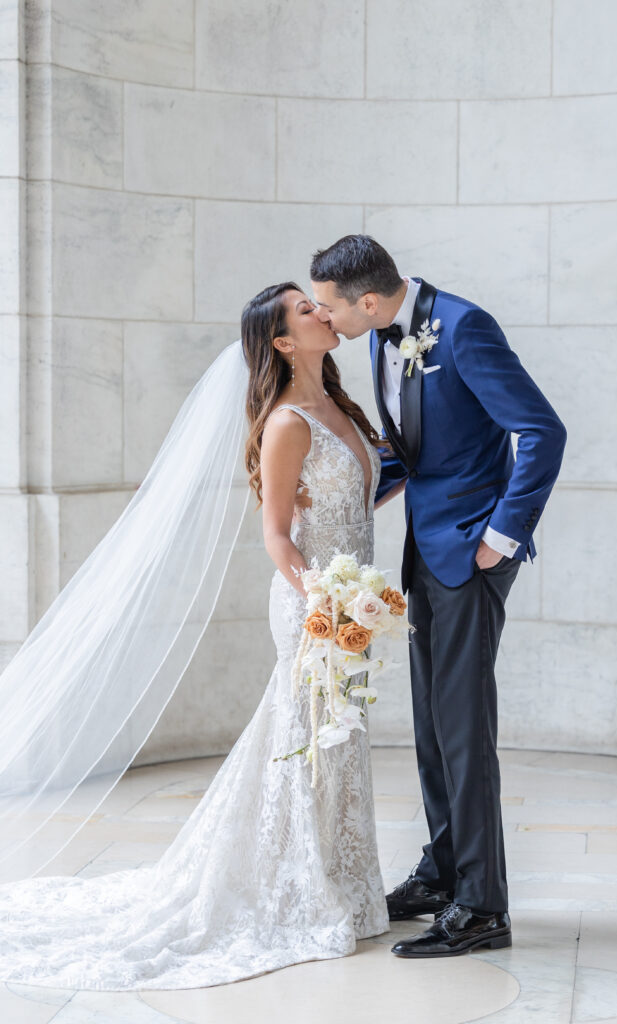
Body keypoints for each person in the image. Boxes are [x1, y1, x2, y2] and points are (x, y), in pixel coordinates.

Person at [0, 282, 393, 989]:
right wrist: (322, 604)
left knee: (340, 740)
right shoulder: (286, 422)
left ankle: (342, 881)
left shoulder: (340, 407)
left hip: (354, 606)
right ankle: (291, 886)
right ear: (281, 341)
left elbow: (365, 496)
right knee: (307, 741)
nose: (322, 314)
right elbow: (277, 535)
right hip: (314, 607)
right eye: (307, 310)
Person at [311, 235, 567, 958]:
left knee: (461, 726)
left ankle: (482, 906)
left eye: (330, 308)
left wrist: (501, 535)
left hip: (471, 552)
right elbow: (417, 446)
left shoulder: (462, 327)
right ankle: (445, 870)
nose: (326, 321)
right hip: (424, 546)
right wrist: (354, 493)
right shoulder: (380, 336)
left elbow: (541, 430)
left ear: (366, 301)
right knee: (430, 720)